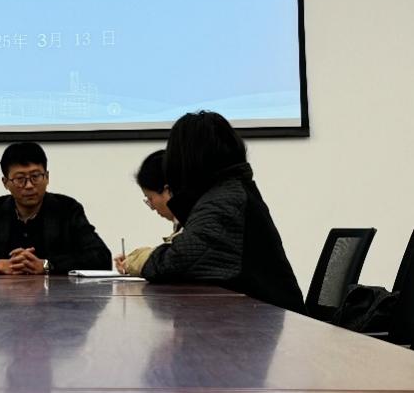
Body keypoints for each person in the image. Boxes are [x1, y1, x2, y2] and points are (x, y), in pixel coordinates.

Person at [122, 111, 305, 313]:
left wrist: (139, 259)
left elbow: (175, 262)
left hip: (266, 321)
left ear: (185, 160)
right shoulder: (227, 193)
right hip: (257, 315)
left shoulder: (223, 202)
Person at [0, 141, 111, 274]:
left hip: (56, 299)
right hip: (0, 300)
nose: (29, 185)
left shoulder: (68, 209)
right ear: (5, 183)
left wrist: (47, 265)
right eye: (20, 179)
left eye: (35, 176)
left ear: (47, 177)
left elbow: (101, 257)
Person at [113, 149, 180, 274]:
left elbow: (169, 259)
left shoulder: (196, 221)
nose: (152, 207)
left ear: (167, 191)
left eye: (150, 198)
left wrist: (132, 262)